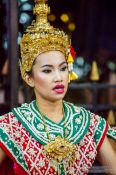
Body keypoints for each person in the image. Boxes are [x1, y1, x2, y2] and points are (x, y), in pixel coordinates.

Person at [0, 0, 116, 174]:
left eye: (63, 68)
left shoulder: (88, 124)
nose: (58, 77)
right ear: (28, 78)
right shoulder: (11, 127)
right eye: (47, 71)